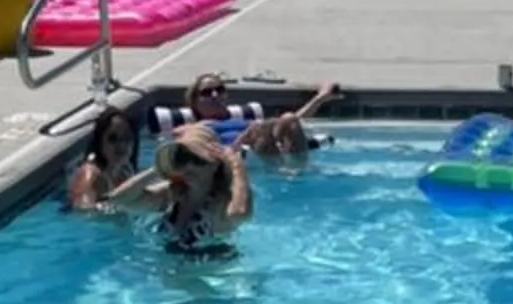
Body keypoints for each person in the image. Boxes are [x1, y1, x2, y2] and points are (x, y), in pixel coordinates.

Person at [126, 124, 252, 253]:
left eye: (197, 160)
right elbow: (122, 200)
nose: (189, 165)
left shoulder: (221, 203)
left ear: (214, 165)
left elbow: (239, 213)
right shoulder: (171, 193)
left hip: (215, 272)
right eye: (183, 158)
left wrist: (237, 166)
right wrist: (158, 169)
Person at [178, 71, 341, 157]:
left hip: (270, 148)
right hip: (246, 155)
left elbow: (291, 122)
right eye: (207, 92)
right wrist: (245, 136)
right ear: (194, 101)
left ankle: (299, 172)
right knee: (271, 125)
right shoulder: (196, 128)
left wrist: (320, 98)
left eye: (219, 90)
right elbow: (209, 153)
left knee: (289, 118)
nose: (215, 95)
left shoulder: (244, 120)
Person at [64, 103, 144, 213]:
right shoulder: (91, 174)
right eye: (113, 139)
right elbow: (82, 210)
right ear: (100, 142)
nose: (121, 145)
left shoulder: (124, 170)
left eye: (126, 138)